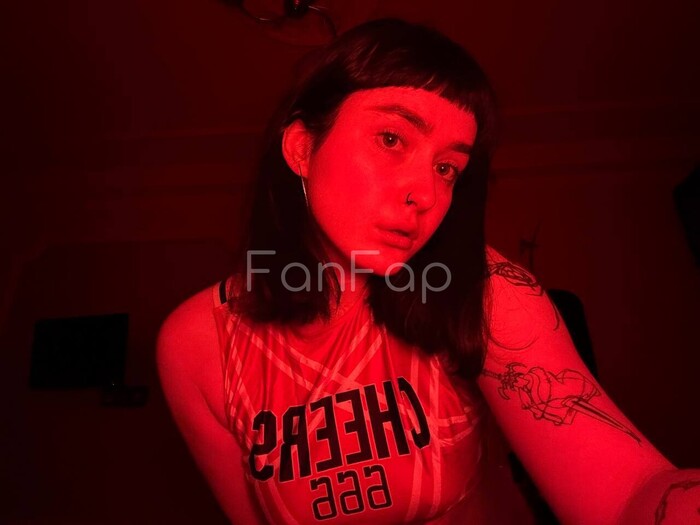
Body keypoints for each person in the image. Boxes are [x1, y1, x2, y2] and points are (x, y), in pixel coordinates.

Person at [156, 18, 700, 525]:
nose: (426, 193)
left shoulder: (481, 288)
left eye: (447, 168)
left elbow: (628, 490)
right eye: (392, 139)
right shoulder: (197, 344)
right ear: (302, 148)